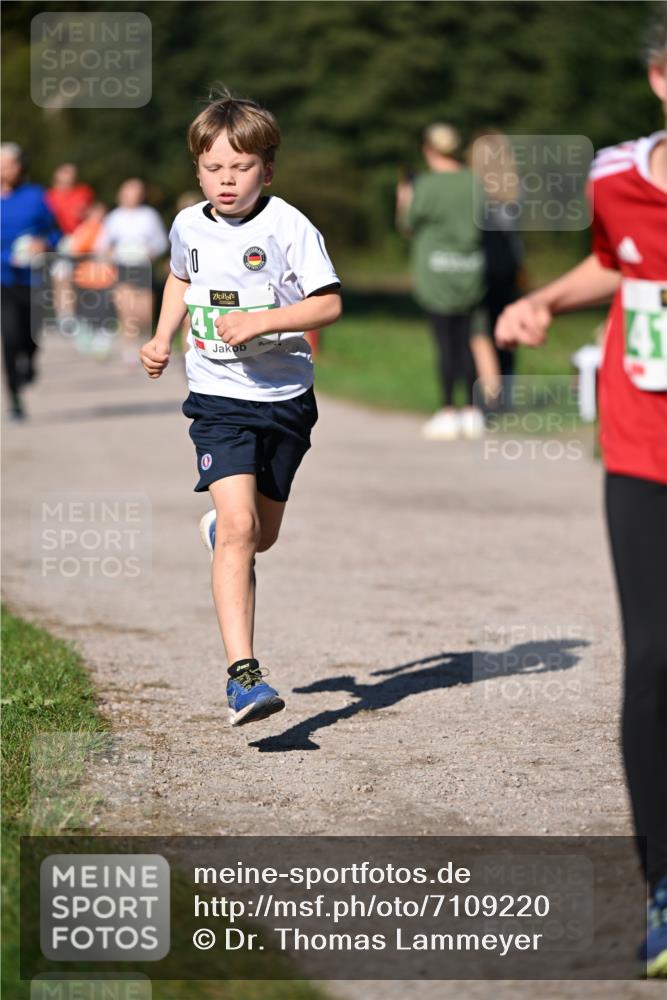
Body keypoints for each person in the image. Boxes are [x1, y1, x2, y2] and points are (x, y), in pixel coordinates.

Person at [496, 15, 667, 978]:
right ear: (658, 80)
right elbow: (617, 261)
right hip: (644, 447)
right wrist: (547, 301)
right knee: (652, 656)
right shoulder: (615, 178)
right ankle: (663, 885)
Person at [140, 90, 341, 726]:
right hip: (217, 399)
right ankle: (243, 677)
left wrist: (263, 321)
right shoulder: (187, 225)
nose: (227, 180)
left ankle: (227, 531)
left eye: (241, 167)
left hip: (284, 400)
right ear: (197, 170)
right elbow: (180, 276)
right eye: (214, 168)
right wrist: (160, 334)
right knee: (239, 529)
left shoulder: (288, 226)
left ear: (267, 170)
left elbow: (327, 304)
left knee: (263, 535)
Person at [396, 123, 485, 440]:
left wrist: (405, 198)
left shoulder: (427, 185)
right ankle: (473, 412)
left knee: (445, 343)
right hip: (472, 271)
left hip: (436, 273)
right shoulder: (474, 182)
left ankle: (449, 409)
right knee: (468, 340)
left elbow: (408, 223)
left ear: (429, 149)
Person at [0, 142, 60, 419]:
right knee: (10, 338)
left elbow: (56, 233)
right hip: (5, 279)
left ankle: (31, 360)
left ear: (20, 166)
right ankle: (14, 399)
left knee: (31, 336)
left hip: (34, 278)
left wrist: (44, 243)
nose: (5, 169)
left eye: (10, 163)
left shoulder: (36, 196)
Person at [468, 129, 524, 408]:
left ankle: (487, 396)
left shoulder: (472, 191)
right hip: (510, 265)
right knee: (506, 329)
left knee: (478, 331)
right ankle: (507, 394)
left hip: (479, 266)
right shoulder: (515, 189)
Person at [95, 178, 168, 366]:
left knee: (143, 310)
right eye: (128, 192)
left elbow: (161, 242)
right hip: (123, 266)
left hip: (143, 266)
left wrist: (152, 251)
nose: (132, 196)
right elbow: (101, 244)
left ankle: (143, 343)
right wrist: (109, 253)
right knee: (126, 308)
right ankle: (129, 348)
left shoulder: (149, 215)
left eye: (136, 192)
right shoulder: (114, 217)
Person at [46, 162, 95, 235]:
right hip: (59, 235)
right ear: (57, 174)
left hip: (83, 234)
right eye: (66, 172)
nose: (71, 175)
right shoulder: (49, 196)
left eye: (73, 172)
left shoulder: (84, 191)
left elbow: (92, 211)